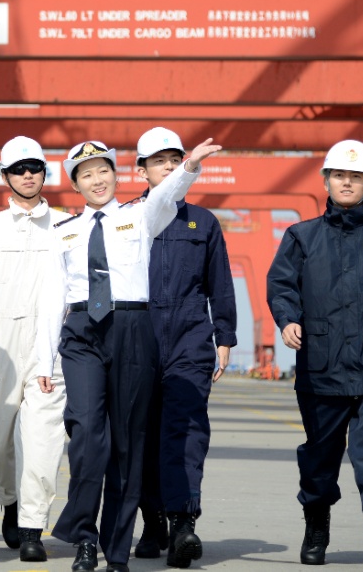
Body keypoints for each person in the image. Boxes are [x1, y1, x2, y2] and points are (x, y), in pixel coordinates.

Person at [37, 135, 221, 572]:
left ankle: (116, 552)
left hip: (134, 330)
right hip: (82, 332)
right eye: (86, 175)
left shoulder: (141, 216)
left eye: (103, 170)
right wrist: (44, 361)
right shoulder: (63, 232)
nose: (97, 180)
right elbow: (51, 299)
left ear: (117, 176)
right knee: (86, 434)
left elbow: (168, 194)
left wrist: (189, 166)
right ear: (75, 184)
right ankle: (85, 538)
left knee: (128, 444)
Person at [266, 140, 363, 572]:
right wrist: (287, 319)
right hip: (321, 365)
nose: (347, 182)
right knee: (320, 456)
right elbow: (282, 285)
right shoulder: (301, 236)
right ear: (326, 181)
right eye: (339, 175)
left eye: (356, 176)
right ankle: (317, 523)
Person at [131, 128, 237, 568]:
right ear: (141, 171)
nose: (170, 167)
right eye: (159, 161)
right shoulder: (127, 218)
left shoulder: (204, 223)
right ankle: (152, 520)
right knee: (141, 433)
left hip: (190, 335)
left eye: (175, 160)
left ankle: (182, 524)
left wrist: (225, 335)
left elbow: (220, 283)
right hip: (139, 335)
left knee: (187, 429)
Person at [0, 137, 69, 562]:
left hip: (51, 347)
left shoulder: (67, 226)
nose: (28, 175)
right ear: (5, 177)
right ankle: (9, 497)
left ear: (45, 173)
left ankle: (32, 526)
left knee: (44, 441)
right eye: (18, 169)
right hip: (0, 344)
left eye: (34, 167)